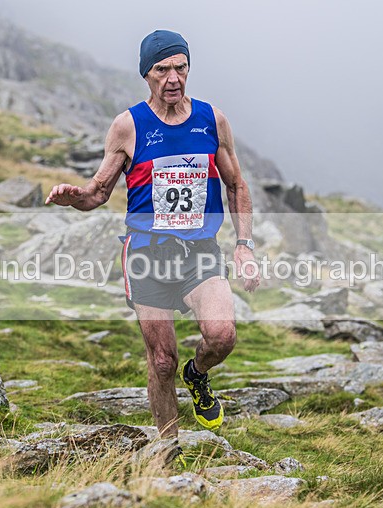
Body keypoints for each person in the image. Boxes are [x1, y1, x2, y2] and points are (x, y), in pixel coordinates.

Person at [46, 29, 259, 447]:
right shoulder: (128, 126)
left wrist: (244, 245)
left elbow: (236, 185)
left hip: (200, 250)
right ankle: (168, 451)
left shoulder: (211, 120)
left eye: (180, 67)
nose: (173, 78)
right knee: (162, 362)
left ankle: (197, 375)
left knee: (222, 335)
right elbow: (99, 192)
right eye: (162, 70)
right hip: (147, 254)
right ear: (147, 75)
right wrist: (76, 198)